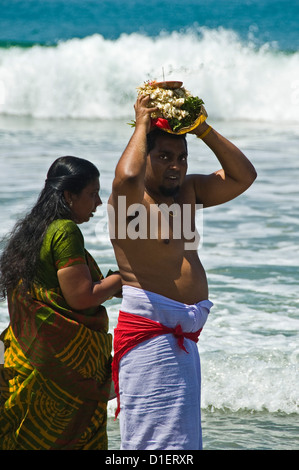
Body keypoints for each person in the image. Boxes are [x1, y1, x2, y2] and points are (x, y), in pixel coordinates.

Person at [109, 94, 257, 450]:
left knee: (182, 443)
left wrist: (202, 128)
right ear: (143, 157)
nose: (175, 166)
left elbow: (244, 176)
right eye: (163, 157)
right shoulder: (129, 201)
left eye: (181, 158)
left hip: (184, 337)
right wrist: (143, 120)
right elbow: (126, 174)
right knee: (152, 444)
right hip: (151, 335)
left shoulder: (188, 192)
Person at [0, 156, 122, 450]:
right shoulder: (65, 230)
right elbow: (81, 297)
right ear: (69, 195)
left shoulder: (33, 230)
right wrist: (122, 278)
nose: (97, 203)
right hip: (56, 368)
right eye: (92, 193)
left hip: (30, 355)